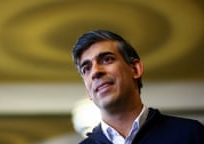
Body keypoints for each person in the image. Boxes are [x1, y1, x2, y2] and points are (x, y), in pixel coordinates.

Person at [72, 30, 204, 144]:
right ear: (88, 91)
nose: (95, 72)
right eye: (87, 69)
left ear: (135, 69)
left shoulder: (190, 134)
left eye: (107, 59)